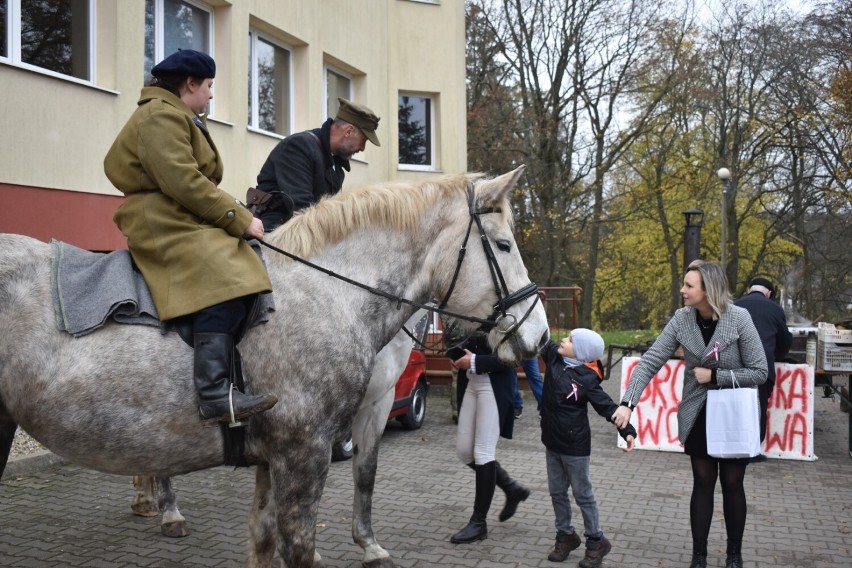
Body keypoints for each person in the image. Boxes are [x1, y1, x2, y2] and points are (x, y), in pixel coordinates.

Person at [104, 49, 278, 423]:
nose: (212, 94)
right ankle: (214, 393)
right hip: (162, 219)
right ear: (191, 84)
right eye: (210, 86)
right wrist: (238, 218)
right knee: (228, 275)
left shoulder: (175, 114)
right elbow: (183, 181)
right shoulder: (159, 116)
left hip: (176, 212)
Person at [612, 262, 767, 568]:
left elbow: (760, 371)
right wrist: (627, 403)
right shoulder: (682, 320)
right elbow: (650, 361)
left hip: (733, 411)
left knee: (733, 482)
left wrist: (716, 375)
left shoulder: (739, 318)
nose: (682, 290)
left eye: (689, 286)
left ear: (708, 290)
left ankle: (734, 555)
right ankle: (699, 556)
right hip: (699, 411)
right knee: (703, 480)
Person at [539, 328, 636, 567]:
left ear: (582, 353)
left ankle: (596, 541)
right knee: (557, 492)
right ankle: (566, 535)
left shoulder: (587, 379)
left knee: (583, 495)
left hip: (575, 447)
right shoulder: (553, 356)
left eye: (571, 340)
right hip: (552, 442)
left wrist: (627, 431)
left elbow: (607, 407)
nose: (563, 340)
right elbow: (536, 334)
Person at [449, 334, 531, 544]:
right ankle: (512, 488)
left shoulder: (511, 310)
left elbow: (516, 355)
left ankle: (479, 523)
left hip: (493, 385)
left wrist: (475, 361)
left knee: (483, 453)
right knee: (464, 452)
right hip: (471, 382)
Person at [255, 98, 381, 231]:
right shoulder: (299, 146)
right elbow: (303, 210)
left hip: (306, 237)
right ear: (348, 131)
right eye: (364, 140)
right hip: (274, 234)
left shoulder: (337, 165)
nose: (362, 148)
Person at [734, 277, 792, 455]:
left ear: (750, 289)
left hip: (735, 367)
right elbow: (784, 339)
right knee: (758, 407)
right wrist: (778, 355)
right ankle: (752, 451)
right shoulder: (775, 309)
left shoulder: (734, 306)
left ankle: (733, 447)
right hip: (762, 367)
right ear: (769, 293)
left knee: (736, 407)